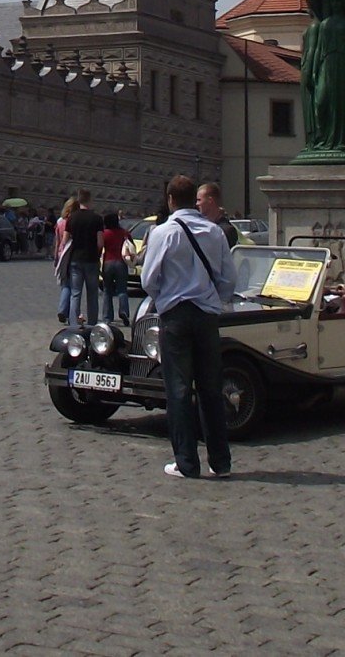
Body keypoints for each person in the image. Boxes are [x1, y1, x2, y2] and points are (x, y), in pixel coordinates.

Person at [139, 174, 234, 480]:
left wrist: (165, 299)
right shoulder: (214, 232)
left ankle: (186, 462)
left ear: (170, 199)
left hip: (176, 316)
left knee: (179, 390)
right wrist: (212, 300)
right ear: (193, 198)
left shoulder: (163, 233)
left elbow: (148, 279)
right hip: (206, 316)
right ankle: (221, 462)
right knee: (210, 389)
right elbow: (228, 280)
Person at [65, 190, 103, 326]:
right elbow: (100, 243)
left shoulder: (72, 218)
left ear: (79, 200)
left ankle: (74, 324)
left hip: (75, 259)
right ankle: (92, 324)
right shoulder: (97, 219)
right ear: (90, 200)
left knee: (75, 293)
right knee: (92, 294)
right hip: (92, 259)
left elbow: (65, 241)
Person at [99, 208, 131, 324]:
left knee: (107, 290)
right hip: (121, 263)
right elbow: (130, 245)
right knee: (122, 289)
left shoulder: (105, 234)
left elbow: (100, 247)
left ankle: (107, 317)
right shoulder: (124, 233)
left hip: (108, 262)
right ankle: (124, 312)